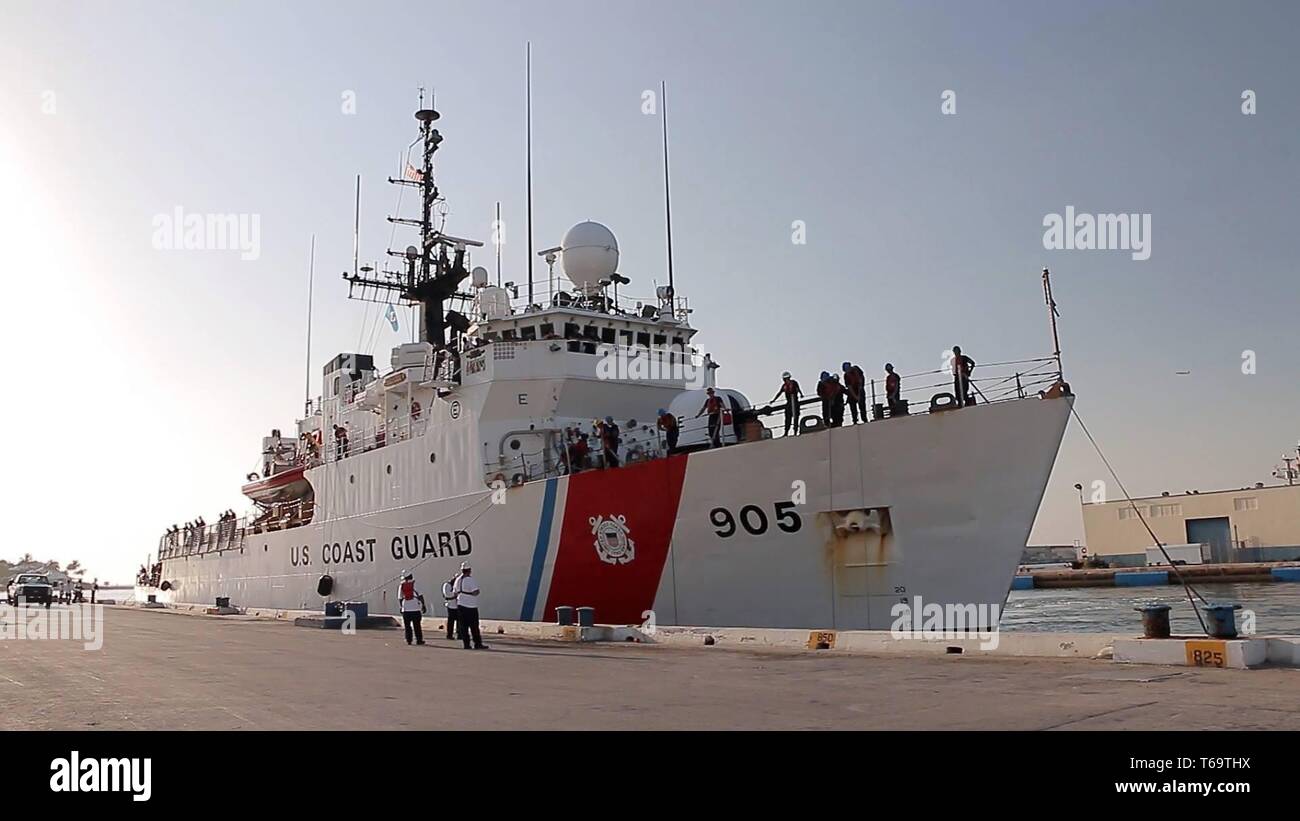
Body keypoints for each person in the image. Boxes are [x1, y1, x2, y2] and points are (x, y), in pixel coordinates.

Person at [452, 561, 485, 649]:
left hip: (460, 605)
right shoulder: (470, 580)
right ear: (469, 570)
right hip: (471, 606)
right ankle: (477, 643)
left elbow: (455, 593)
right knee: (474, 626)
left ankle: (466, 644)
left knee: (463, 626)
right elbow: (476, 591)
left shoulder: (457, 580)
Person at [396, 572, 426, 646]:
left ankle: (409, 640)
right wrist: (423, 605)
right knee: (417, 625)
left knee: (407, 626)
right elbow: (420, 596)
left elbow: (400, 598)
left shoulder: (401, 585)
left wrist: (401, 607)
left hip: (406, 609)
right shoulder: (415, 584)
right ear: (411, 576)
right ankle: (419, 640)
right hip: (415, 608)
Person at [771, 372, 802, 436]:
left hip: (795, 402)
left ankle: (795, 431)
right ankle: (786, 432)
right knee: (788, 417)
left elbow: (797, 389)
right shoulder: (784, 386)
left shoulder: (793, 383)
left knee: (795, 417)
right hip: (789, 402)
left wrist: (801, 394)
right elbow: (779, 393)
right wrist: (773, 400)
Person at [441, 572, 460, 640]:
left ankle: (459, 634)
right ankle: (449, 635)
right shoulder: (447, 585)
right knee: (451, 621)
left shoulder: (457, 586)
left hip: (458, 605)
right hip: (451, 606)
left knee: (459, 621)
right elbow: (447, 595)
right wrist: (456, 595)